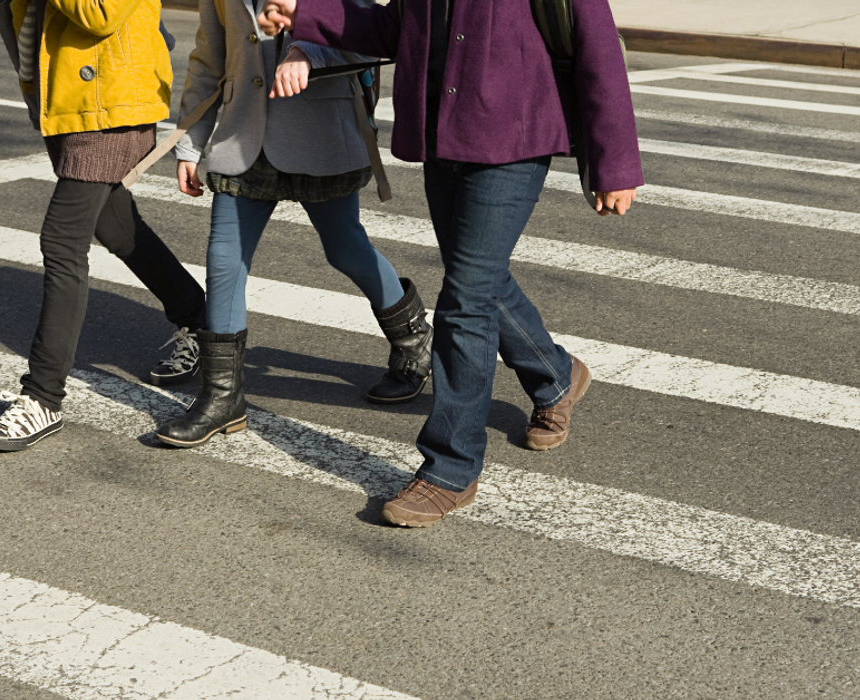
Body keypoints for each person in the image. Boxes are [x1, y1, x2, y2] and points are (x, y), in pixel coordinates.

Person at [258, 0, 642, 526]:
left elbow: (597, 45)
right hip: (445, 134)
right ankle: (555, 374)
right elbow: (396, 27)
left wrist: (615, 162)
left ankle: (450, 468)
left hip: (514, 138)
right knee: (478, 279)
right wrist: (308, 13)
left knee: (464, 301)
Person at [153, 0, 433, 448]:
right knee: (224, 259)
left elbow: (370, 37)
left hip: (322, 132)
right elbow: (209, 57)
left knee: (344, 248)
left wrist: (310, 52)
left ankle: (415, 340)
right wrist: (190, 144)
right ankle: (222, 397)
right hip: (243, 137)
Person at [0, 0, 209, 452]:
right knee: (114, 225)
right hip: (61, 95)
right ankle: (201, 318)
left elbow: (101, 13)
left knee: (62, 240)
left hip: (111, 101)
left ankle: (43, 397)